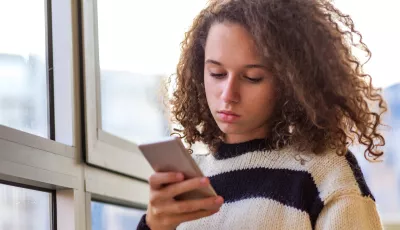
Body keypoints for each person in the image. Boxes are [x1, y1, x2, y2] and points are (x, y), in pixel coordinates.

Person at [137, 0, 387, 229]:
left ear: (290, 82)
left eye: (252, 77)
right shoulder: (194, 179)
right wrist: (153, 226)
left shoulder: (325, 174)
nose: (228, 94)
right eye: (216, 73)